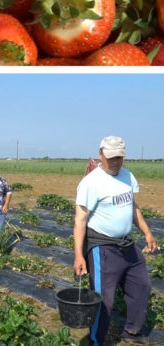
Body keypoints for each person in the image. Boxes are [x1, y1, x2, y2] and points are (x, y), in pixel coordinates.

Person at [73, 136, 158, 345]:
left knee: (142, 285)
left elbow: (133, 207)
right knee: (104, 299)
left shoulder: (127, 176)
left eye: (119, 157)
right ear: (101, 154)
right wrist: (78, 256)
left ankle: (133, 331)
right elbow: (80, 220)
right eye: (111, 157)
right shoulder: (91, 182)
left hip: (126, 243)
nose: (115, 162)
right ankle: (96, 341)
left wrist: (147, 232)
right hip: (103, 247)